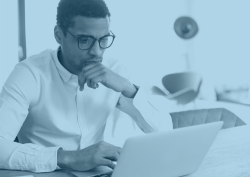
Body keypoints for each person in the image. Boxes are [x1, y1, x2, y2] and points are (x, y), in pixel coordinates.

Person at [0, 0, 172, 173]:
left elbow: (166, 131)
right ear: (59, 35)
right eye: (84, 40)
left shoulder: (115, 70)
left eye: (103, 39)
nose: (97, 52)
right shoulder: (29, 74)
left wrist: (128, 88)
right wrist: (71, 158)